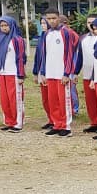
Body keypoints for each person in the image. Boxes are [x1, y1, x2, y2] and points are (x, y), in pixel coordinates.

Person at [32, 8, 80, 137]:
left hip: (62, 74)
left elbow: (70, 53)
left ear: (59, 18)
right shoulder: (47, 34)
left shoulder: (66, 33)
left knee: (63, 101)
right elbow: (44, 55)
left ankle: (66, 126)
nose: (51, 21)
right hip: (50, 73)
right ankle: (57, 124)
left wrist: (67, 73)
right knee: (53, 100)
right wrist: (43, 72)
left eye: (54, 18)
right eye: (49, 19)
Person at [0, 16, 28, 132]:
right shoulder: (0, 40)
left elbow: (21, 58)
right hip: (2, 73)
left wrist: (21, 75)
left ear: (11, 25)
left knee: (15, 99)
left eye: (6, 25)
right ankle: (9, 121)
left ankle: (18, 123)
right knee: (4, 99)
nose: (4, 28)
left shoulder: (17, 40)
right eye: (1, 26)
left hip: (13, 73)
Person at [77, 14, 97, 134]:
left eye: (93, 22)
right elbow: (79, 57)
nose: (91, 25)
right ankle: (94, 122)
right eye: (88, 22)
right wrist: (75, 72)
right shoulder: (83, 39)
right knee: (90, 101)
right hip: (87, 74)